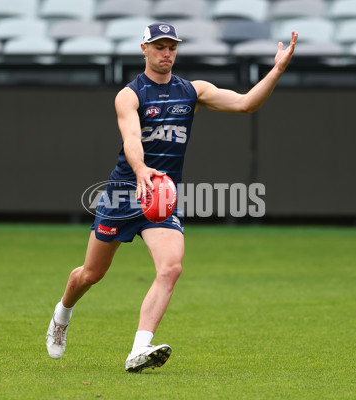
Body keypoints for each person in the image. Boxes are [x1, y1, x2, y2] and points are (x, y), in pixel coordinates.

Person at [46, 22, 298, 372]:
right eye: (159, 46)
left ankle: (138, 349)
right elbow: (132, 138)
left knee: (171, 268)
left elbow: (245, 105)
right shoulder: (130, 94)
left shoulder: (192, 91)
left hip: (161, 198)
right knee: (90, 274)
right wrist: (140, 170)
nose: (166, 53)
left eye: (172, 47)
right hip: (124, 193)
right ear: (144, 49)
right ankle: (62, 314)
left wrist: (278, 69)